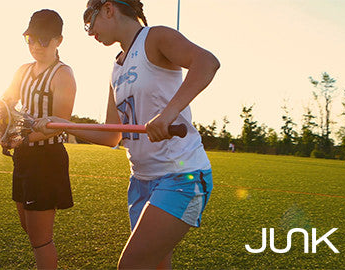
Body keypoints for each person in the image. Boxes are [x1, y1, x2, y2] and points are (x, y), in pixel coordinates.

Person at [35, 0, 220, 269]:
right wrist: (63, 124)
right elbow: (113, 135)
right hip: (141, 182)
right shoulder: (116, 68)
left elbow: (207, 62)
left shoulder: (155, 37)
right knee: (156, 265)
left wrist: (168, 114)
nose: (89, 31)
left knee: (131, 265)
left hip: (182, 175)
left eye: (90, 19)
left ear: (108, 9)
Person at [0, 9, 76, 269]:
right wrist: (1, 126)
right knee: (29, 229)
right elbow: (5, 103)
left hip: (47, 158)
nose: (36, 46)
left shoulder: (63, 74)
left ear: (59, 40)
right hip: (24, 156)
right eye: (31, 39)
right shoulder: (23, 70)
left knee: (41, 239)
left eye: (44, 40)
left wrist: (23, 138)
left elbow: (59, 125)